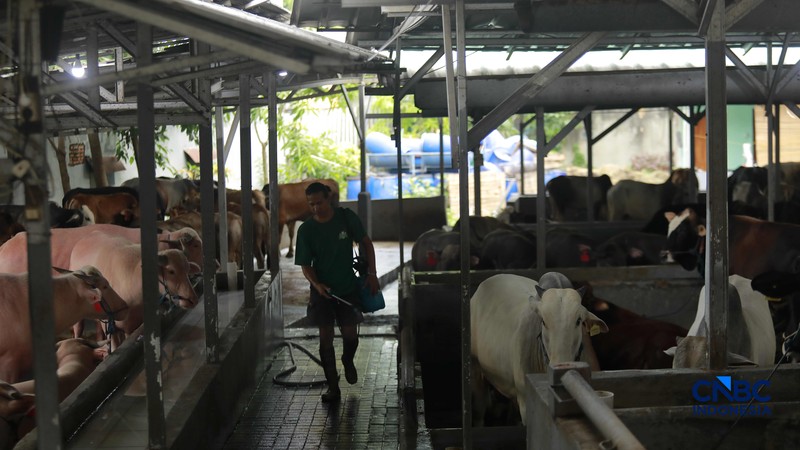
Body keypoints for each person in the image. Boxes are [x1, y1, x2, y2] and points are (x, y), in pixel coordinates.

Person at [294, 182, 379, 403]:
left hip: (347, 287)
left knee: (350, 336)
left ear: (329, 198)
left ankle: (348, 359)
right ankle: (333, 387)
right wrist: (316, 284)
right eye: (311, 204)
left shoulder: (345, 218)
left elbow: (366, 243)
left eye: (319, 203)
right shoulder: (306, 230)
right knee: (326, 338)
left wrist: (372, 273)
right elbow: (305, 264)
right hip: (323, 292)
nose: (315, 208)